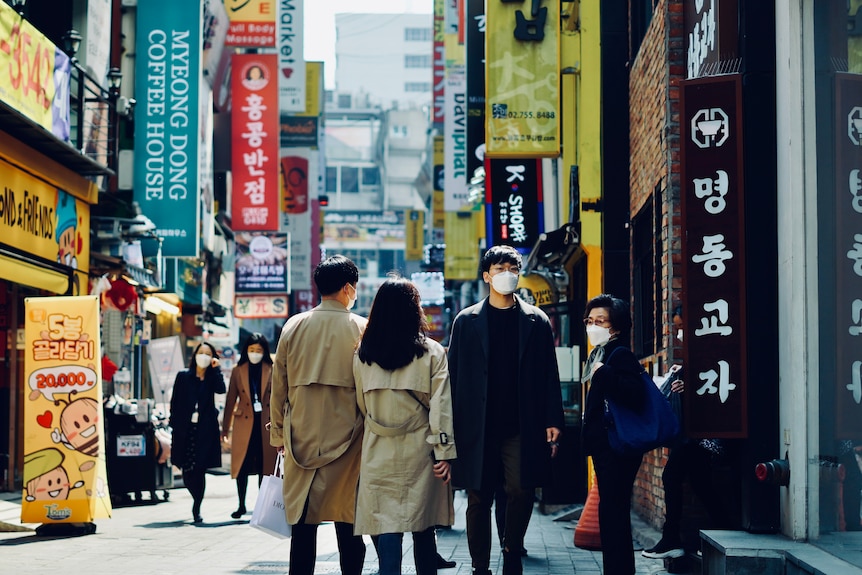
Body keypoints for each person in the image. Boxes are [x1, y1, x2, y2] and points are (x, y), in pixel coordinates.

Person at [448, 245, 565, 575]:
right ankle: (480, 567)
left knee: (521, 487)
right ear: (487, 276)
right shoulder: (466, 321)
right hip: (477, 425)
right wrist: (447, 429)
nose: (507, 275)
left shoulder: (535, 320)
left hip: (520, 423)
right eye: (500, 269)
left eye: (513, 268)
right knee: (478, 497)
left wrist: (553, 418)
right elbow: (452, 378)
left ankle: (512, 547)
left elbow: (548, 373)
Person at [352, 277, 457, 575]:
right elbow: (441, 407)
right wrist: (444, 452)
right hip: (421, 451)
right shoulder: (432, 353)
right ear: (415, 310)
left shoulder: (362, 356)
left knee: (387, 526)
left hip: (377, 449)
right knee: (423, 524)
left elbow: (361, 405)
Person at [270, 255, 367, 575]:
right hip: (349, 443)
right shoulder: (361, 327)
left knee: (303, 527)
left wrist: (279, 436)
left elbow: (278, 386)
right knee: (348, 525)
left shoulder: (293, 325)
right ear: (347, 288)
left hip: (301, 441)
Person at [581, 294, 647, 575]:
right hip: (608, 445)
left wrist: (604, 373)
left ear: (616, 327)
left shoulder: (621, 355)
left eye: (601, 321)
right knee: (610, 512)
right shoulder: (601, 354)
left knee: (614, 513)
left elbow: (635, 395)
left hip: (618, 447)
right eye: (590, 321)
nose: (593, 326)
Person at [222, 333, 278, 519]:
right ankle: (241, 505)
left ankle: (262, 506)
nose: (255, 353)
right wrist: (224, 429)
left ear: (264, 351)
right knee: (242, 466)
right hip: (243, 424)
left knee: (265, 466)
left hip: (266, 424)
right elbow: (230, 400)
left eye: (259, 350)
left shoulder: (272, 368)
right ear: (246, 350)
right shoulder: (239, 371)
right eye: (252, 350)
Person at [169, 341, 226, 523]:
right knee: (186, 468)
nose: (204, 356)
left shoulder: (211, 378)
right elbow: (175, 401)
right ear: (195, 355)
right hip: (185, 429)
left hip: (204, 429)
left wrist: (217, 370)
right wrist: (173, 423)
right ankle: (195, 496)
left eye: (208, 354)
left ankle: (197, 506)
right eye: (201, 352)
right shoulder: (183, 376)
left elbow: (221, 389)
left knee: (200, 468)